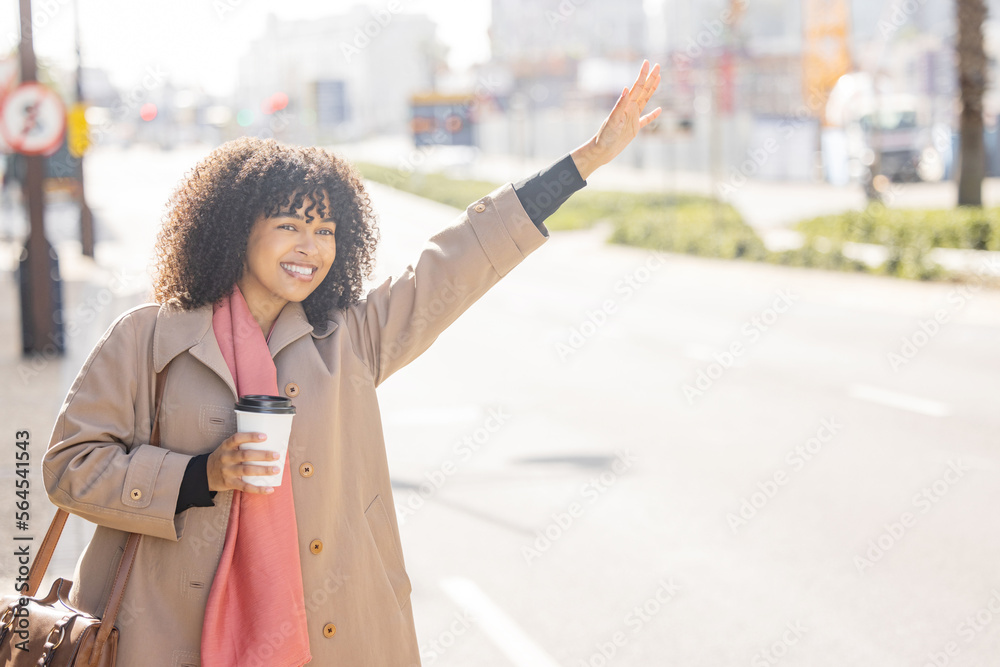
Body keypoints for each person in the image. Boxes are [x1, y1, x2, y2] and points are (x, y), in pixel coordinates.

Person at [41, 60, 661, 666]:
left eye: (326, 231)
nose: (310, 248)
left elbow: (460, 259)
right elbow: (70, 467)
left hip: (327, 638)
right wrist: (201, 474)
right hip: (169, 638)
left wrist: (583, 163)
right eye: (289, 226)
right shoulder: (147, 339)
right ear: (235, 230)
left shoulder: (348, 339)